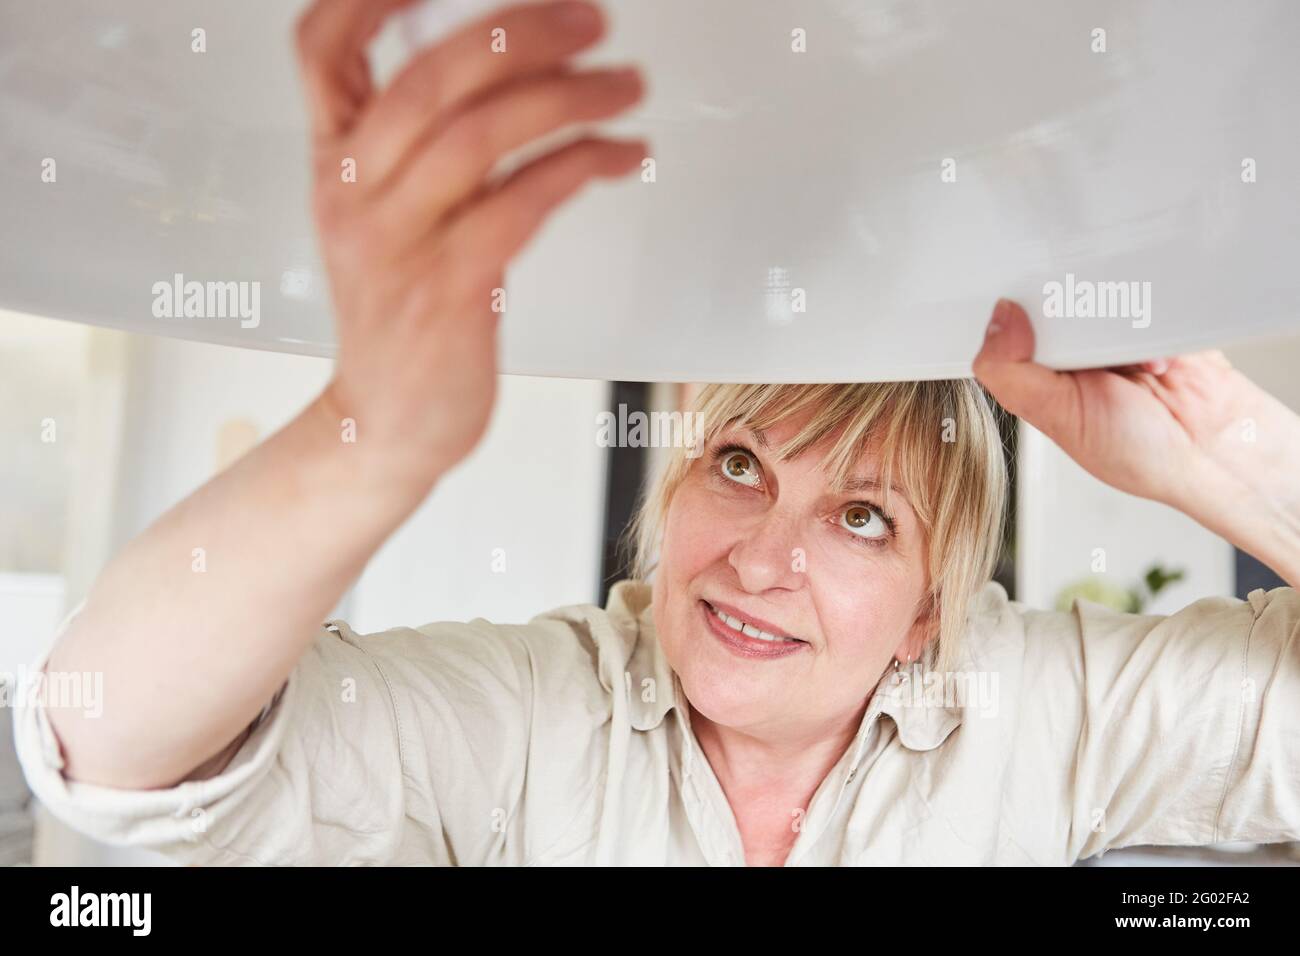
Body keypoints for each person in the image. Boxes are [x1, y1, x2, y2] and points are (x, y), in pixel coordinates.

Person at [14, 0, 1300, 866]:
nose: (757, 560)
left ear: (927, 613)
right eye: (738, 464)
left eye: (863, 516)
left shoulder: (1033, 709)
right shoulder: (542, 703)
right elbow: (110, 740)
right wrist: (374, 431)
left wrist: (1227, 447)